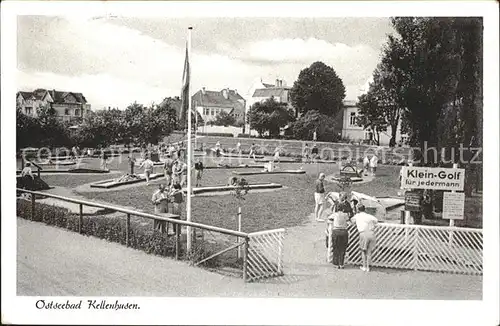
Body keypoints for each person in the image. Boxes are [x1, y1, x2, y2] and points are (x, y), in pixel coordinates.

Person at [351, 204, 378, 272]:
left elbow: (352, 221)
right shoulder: (368, 216)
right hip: (371, 233)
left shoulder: (357, 216)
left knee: (363, 251)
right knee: (369, 251)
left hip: (363, 233)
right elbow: (376, 220)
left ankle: (364, 266)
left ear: (358, 210)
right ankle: (368, 267)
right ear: (364, 209)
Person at [327, 198, 350, 269]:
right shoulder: (345, 215)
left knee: (336, 247)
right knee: (343, 248)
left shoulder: (335, 214)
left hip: (336, 231)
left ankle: (336, 263)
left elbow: (329, 218)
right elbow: (348, 219)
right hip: (343, 232)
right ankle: (341, 263)